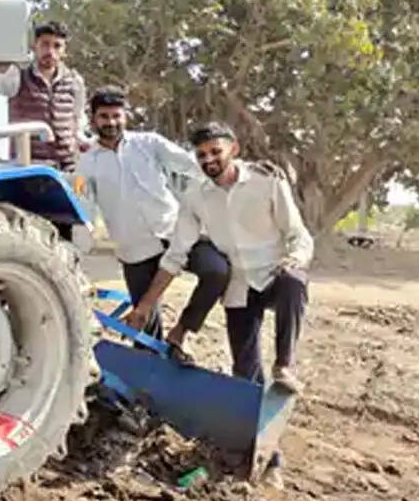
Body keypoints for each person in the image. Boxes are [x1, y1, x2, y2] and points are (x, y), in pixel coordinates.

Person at [125, 122, 313, 393]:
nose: (209, 160)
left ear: (233, 149)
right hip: (238, 289)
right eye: (201, 155)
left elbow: (298, 234)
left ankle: (285, 365)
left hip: (273, 275)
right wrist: (144, 306)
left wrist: (296, 258)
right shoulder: (195, 195)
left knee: (294, 282)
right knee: (244, 375)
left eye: (216, 151)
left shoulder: (267, 180)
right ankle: (252, 426)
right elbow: (176, 253)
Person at [76, 86, 230, 362]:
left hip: (174, 233)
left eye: (116, 116)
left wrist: (231, 178)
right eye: (104, 117)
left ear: (125, 116)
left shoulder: (149, 143)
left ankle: (182, 332)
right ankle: (152, 386)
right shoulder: (85, 163)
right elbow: (82, 204)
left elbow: (192, 165)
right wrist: (78, 247)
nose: (111, 122)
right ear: (93, 119)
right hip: (134, 248)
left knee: (217, 271)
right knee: (144, 325)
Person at [0, 21, 88, 171]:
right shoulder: (18, 76)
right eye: (45, 44)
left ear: (64, 51)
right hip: (29, 165)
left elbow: (78, 120)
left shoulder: (74, 82)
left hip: (68, 165)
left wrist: (84, 143)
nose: (50, 51)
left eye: (57, 46)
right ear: (35, 46)